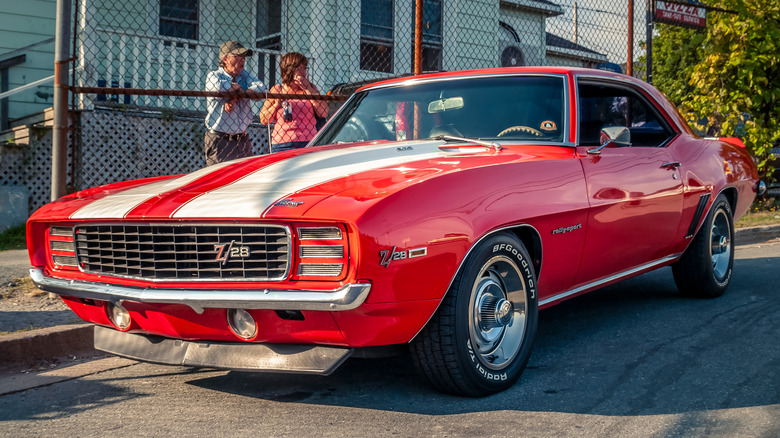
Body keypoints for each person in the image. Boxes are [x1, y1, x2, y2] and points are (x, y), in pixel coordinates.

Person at [203, 41, 267, 165]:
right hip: (220, 140)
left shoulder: (244, 75)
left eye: (244, 57)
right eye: (238, 56)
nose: (242, 60)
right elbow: (218, 88)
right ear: (225, 59)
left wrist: (237, 94)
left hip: (242, 140)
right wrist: (238, 88)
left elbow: (262, 89)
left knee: (247, 175)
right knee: (221, 176)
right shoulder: (214, 75)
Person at [259, 52, 328, 152]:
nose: (303, 72)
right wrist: (276, 105)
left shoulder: (311, 88)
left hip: (308, 141)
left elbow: (323, 112)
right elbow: (263, 119)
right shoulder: (277, 89)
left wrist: (308, 89)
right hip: (282, 143)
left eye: (305, 68)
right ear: (289, 70)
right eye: (299, 68)